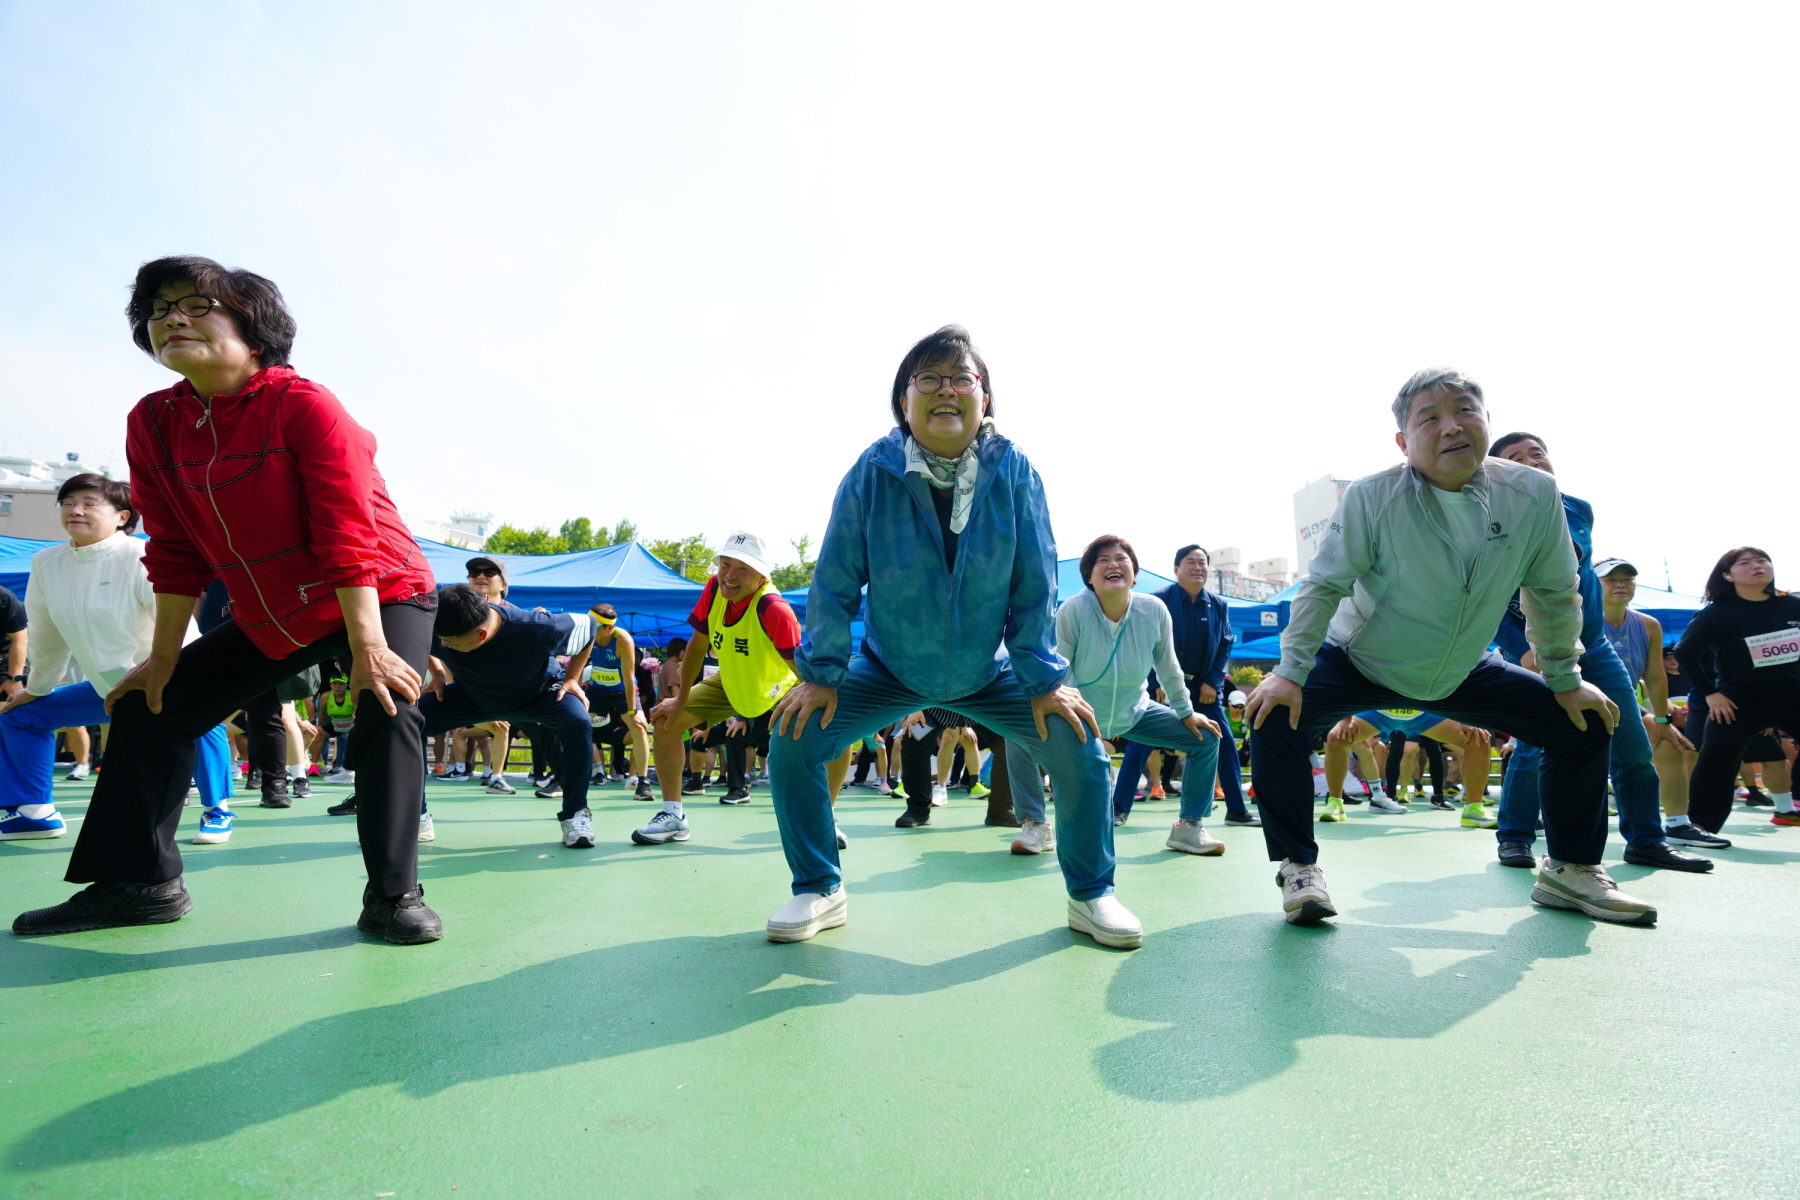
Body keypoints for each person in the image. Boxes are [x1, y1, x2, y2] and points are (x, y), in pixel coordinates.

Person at [11, 256, 442, 943]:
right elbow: (176, 550)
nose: (171, 319)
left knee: (387, 704)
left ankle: (394, 895)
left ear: (254, 331)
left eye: (194, 305)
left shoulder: (303, 404)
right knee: (152, 707)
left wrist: (369, 647)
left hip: (379, 589)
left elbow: (347, 533)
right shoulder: (153, 421)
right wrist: (160, 661)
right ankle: (137, 882)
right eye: (158, 311)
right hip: (275, 609)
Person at [1243, 368, 1656, 926]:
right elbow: (1324, 585)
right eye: (1428, 418)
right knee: (1273, 715)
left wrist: (1564, 676)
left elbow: (1554, 591)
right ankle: (1298, 867)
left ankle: (1571, 870)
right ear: (1403, 442)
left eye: (1464, 410)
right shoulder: (1372, 496)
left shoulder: (1534, 493)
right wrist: (1290, 672)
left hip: (1464, 665)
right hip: (1363, 659)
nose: (1451, 427)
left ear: (1487, 420)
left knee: (1582, 721)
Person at [768, 326, 1131, 948]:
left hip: (988, 672)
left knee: (1079, 744)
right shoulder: (871, 472)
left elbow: (1034, 581)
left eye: (962, 378)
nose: (946, 390)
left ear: (984, 398)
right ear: (902, 402)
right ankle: (817, 887)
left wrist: (1044, 680)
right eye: (927, 379)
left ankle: (1092, 894)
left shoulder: (1014, 471)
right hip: (888, 669)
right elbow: (833, 578)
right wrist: (822, 673)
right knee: (794, 737)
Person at [1487, 434, 1709, 872]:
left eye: (1537, 453)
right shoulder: (1488, 517)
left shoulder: (1577, 507)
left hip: (1595, 646)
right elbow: (1486, 597)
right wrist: (1520, 649)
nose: (1532, 461)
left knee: (1631, 744)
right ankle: (1514, 836)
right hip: (1533, 649)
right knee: (1533, 749)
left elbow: (1581, 577)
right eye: (1515, 458)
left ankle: (1646, 838)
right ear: (1501, 473)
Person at [0, 474, 236, 843]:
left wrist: (187, 681)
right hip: (109, 688)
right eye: (67, 502)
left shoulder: (141, 555)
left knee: (201, 720)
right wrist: (37, 687)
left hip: (171, 675)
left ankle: (217, 808)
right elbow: (47, 634)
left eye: (90, 503)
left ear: (123, 517)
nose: (75, 510)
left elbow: (172, 627)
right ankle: (33, 812)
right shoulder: (47, 562)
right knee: (21, 715)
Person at [1009, 535, 1225, 857]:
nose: (1113, 564)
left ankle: (1189, 827)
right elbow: (1060, 673)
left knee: (1206, 737)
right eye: (1102, 560)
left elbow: (1168, 665)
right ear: (1090, 577)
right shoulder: (1073, 610)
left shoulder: (1153, 610)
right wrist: (1065, 720)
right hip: (1082, 714)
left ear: (1134, 573)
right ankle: (1035, 824)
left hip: (1135, 711)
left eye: (1121, 558)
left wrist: (1185, 711)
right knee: (1017, 734)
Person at [635, 532, 801, 844]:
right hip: (731, 682)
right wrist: (680, 699)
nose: (730, 575)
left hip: (779, 688)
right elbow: (697, 645)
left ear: (762, 575)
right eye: (726, 564)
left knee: (833, 732)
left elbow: (801, 672)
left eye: (742, 568)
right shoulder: (714, 588)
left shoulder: (775, 610)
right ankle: (673, 817)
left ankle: (826, 819)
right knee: (664, 720)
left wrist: (817, 706)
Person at [423, 584, 598, 847]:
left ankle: (575, 814)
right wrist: (436, 673)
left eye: (450, 643)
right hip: (474, 697)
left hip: (540, 694)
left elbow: (589, 626)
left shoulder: (537, 627)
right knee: (403, 721)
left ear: (481, 634)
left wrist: (573, 678)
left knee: (578, 721)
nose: (443, 646)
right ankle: (415, 815)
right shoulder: (438, 626)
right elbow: (415, 637)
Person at [1120, 545, 1259, 826]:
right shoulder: (1156, 601)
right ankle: (1118, 808)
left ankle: (1236, 810)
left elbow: (1224, 646)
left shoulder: (1218, 604)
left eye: (1203, 562)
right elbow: (1143, 644)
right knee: (1140, 743)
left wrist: (1213, 682)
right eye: (1190, 562)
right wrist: (1153, 682)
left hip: (1205, 691)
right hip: (1161, 687)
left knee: (1224, 744)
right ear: (1176, 569)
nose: (1198, 567)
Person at [1590, 560, 1722, 849]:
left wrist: (1662, 721)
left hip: (1625, 705)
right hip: (1580, 702)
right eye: (1610, 579)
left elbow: (1655, 676)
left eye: (1627, 578)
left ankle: (1678, 825)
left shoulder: (1648, 624)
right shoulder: (1578, 619)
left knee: (1669, 744)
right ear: (1591, 583)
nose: (1621, 584)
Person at [1673, 547, 1800, 832]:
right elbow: (1684, 654)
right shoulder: (1716, 614)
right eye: (1745, 563)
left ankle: (1793, 804)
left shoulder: (1792, 605)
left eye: (1762, 560)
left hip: (1793, 696)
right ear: (1727, 575)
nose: (1757, 566)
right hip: (1739, 702)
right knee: (1716, 759)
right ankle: (1701, 827)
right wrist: (1711, 693)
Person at [1320, 710, 1491, 821]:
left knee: (1478, 739)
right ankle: (1336, 802)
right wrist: (1345, 718)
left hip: (1424, 713)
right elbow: (1353, 676)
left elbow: (1454, 679)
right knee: (1336, 736)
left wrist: (1464, 717)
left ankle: (1473, 808)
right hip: (1380, 712)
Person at [583, 603, 653, 800]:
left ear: (609, 628)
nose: (591, 630)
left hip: (622, 692)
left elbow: (630, 679)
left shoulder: (623, 639)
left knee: (640, 728)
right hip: (595, 691)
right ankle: (561, 778)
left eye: (595, 627)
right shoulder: (586, 634)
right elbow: (578, 665)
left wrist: (633, 712)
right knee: (573, 725)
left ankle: (642, 783)